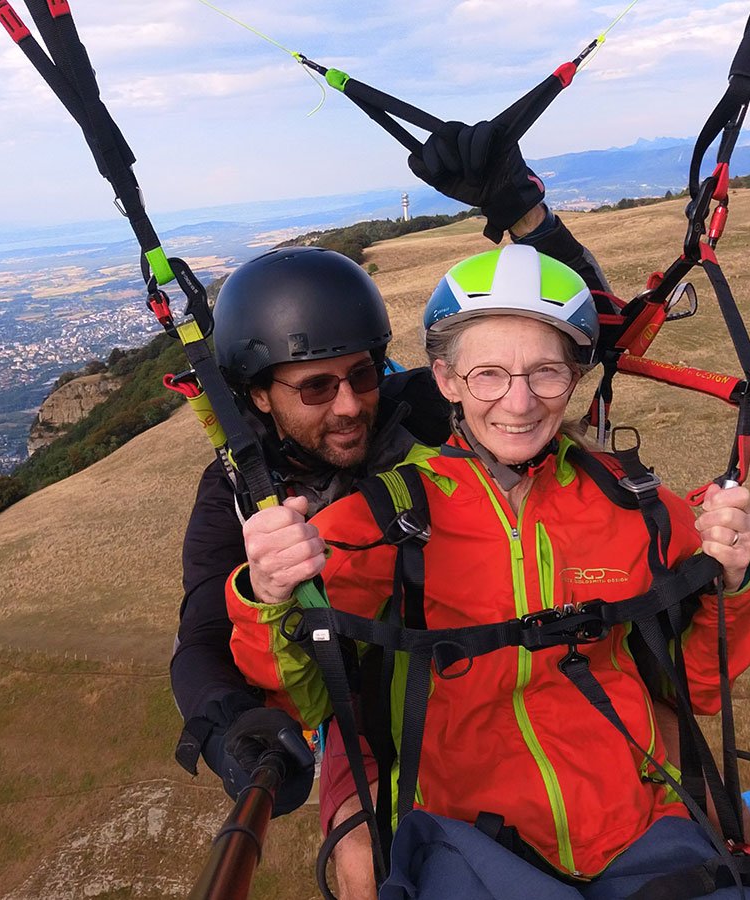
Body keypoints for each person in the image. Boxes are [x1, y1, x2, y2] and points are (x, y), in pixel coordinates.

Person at [225, 244, 750, 898]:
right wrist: (268, 593)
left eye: (546, 373)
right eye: (489, 374)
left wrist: (731, 582)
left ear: (574, 377)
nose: (518, 404)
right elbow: (305, 699)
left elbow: (700, 689)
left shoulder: (636, 505)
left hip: (639, 830)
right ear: (446, 380)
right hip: (466, 844)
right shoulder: (380, 517)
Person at [171, 129, 613, 895]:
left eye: (363, 375)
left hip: (474, 658)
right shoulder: (237, 493)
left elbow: (582, 339)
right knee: (363, 860)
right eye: (316, 388)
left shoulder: (416, 410)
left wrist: (523, 212)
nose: (350, 406)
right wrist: (233, 728)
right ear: (258, 397)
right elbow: (203, 633)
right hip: (356, 690)